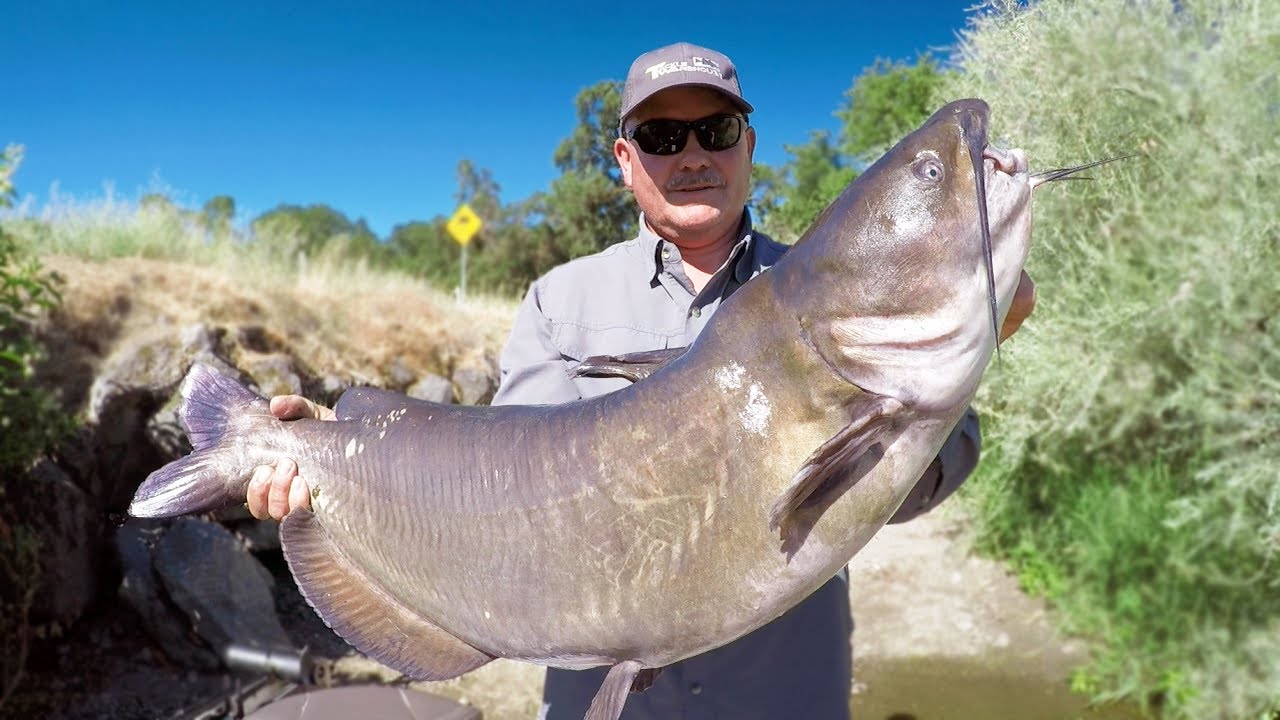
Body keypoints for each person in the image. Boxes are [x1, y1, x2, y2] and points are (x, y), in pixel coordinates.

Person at [248, 41, 1036, 719]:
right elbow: (496, 487)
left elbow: (922, 486)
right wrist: (339, 446)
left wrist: (957, 351)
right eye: (661, 136)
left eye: (715, 131)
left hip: (783, 694)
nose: (692, 155)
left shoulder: (814, 281)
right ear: (627, 162)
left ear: (748, 147)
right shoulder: (561, 300)